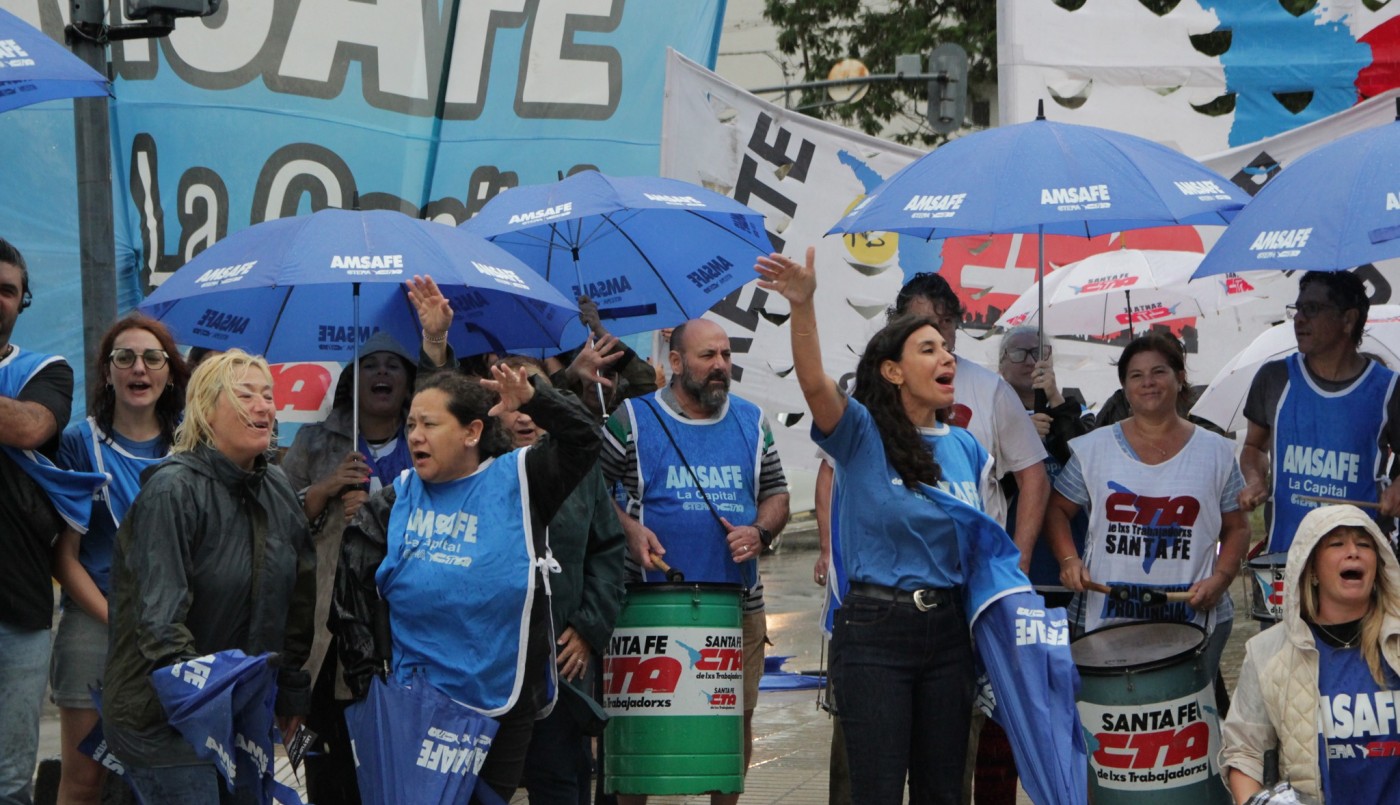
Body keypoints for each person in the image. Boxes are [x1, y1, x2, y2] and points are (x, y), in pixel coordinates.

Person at [756, 248, 998, 804]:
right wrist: (803, 304)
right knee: (875, 793)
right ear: (892, 370)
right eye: (928, 348)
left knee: (946, 794)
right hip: (875, 634)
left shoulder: (965, 448)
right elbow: (816, 385)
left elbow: (982, 553)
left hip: (950, 635)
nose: (948, 358)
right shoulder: (862, 434)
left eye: (947, 348)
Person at [333, 356, 601, 803]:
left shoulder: (521, 478)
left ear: (472, 432)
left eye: (430, 424)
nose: (415, 435)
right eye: (412, 424)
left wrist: (537, 399)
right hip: (416, 702)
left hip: (500, 697)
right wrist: (371, 689)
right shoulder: (392, 500)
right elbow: (351, 598)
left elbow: (585, 439)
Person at [102, 349, 316, 801]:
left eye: (268, 396)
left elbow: (297, 602)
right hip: (165, 720)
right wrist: (206, 705)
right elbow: (159, 624)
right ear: (206, 410)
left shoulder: (277, 487)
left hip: (241, 713)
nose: (263, 406)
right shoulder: (172, 490)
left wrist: (291, 693)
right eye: (245, 395)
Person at [599, 317, 790, 805]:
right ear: (677, 362)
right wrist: (630, 528)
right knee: (638, 725)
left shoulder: (752, 420)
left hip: (736, 607)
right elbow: (591, 492)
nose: (721, 367)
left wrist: (760, 531)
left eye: (726, 356)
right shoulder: (632, 418)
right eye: (708, 357)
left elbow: (776, 494)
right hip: (645, 606)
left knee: (732, 724)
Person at [889, 273, 1048, 805]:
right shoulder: (873, 394)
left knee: (962, 743)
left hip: (969, 595)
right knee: (878, 754)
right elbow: (831, 478)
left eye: (945, 323)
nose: (936, 334)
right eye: (921, 324)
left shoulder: (989, 390)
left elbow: (1033, 477)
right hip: (888, 599)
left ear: (959, 327)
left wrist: (1016, 564)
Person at [1046, 332, 1249, 680]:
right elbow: (1057, 511)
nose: (1148, 383)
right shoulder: (1093, 449)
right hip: (1103, 616)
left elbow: (1238, 526)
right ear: (1124, 387)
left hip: (1196, 614)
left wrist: (1221, 578)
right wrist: (1068, 560)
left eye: (1159, 372)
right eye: (1136, 376)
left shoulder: (1215, 452)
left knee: (1190, 717)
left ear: (1180, 377)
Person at [50, 315, 189, 804]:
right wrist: (119, 620)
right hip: (98, 621)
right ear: (107, 373)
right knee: (84, 781)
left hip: (176, 629)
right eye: (124, 357)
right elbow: (63, 558)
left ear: (170, 373)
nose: (139, 367)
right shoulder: (77, 444)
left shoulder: (191, 445)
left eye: (153, 358)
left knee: (170, 776)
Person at [279, 331, 417, 805]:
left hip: (401, 628)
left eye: (393, 365)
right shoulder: (315, 440)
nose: (382, 373)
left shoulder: (425, 437)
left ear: (408, 381)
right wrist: (326, 489)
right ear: (352, 381)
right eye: (370, 364)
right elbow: (278, 521)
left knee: (393, 769)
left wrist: (380, 509)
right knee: (326, 771)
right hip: (327, 631)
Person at [493, 357, 627, 805]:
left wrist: (588, 630)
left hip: (563, 660)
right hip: (494, 660)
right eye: (513, 402)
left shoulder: (581, 470)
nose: (525, 414)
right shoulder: (481, 470)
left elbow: (608, 553)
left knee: (563, 780)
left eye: (535, 397)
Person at [1221, 504, 1400, 802]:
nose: (1353, 552)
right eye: (1337, 543)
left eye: (1364, 544)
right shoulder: (1267, 653)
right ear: (1312, 568)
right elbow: (1245, 753)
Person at [0, 238, 90, 805]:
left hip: (17, 604)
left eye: (7, 290)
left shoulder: (45, 370)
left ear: (22, 301)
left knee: (9, 780)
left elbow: (30, 428)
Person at [1239, 271, 1400, 551]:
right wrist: (1255, 480)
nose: (1299, 319)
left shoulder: (1388, 389)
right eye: (1297, 309)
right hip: (1287, 554)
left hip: (1357, 559)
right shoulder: (1274, 378)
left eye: (1312, 309)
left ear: (1348, 320)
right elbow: (1253, 446)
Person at [997, 325, 1090, 609]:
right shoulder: (991, 417)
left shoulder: (1074, 413)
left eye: (1038, 352)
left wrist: (1055, 398)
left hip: (1071, 568)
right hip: (1014, 565)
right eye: (1017, 353)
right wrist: (1021, 441)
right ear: (1001, 365)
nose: (1029, 361)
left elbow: (1087, 466)